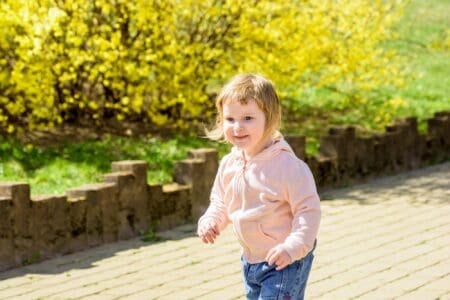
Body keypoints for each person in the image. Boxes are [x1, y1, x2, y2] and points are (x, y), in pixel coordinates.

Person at [197, 73, 321, 300]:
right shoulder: (229, 164)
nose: (237, 127)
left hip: (285, 260)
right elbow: (221, 202)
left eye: (248, 118)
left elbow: (308, 212)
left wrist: (292, 247)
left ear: (270, 118)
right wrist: (211, 220)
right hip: (251, 260)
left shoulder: (287, 167)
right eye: (230, 119)